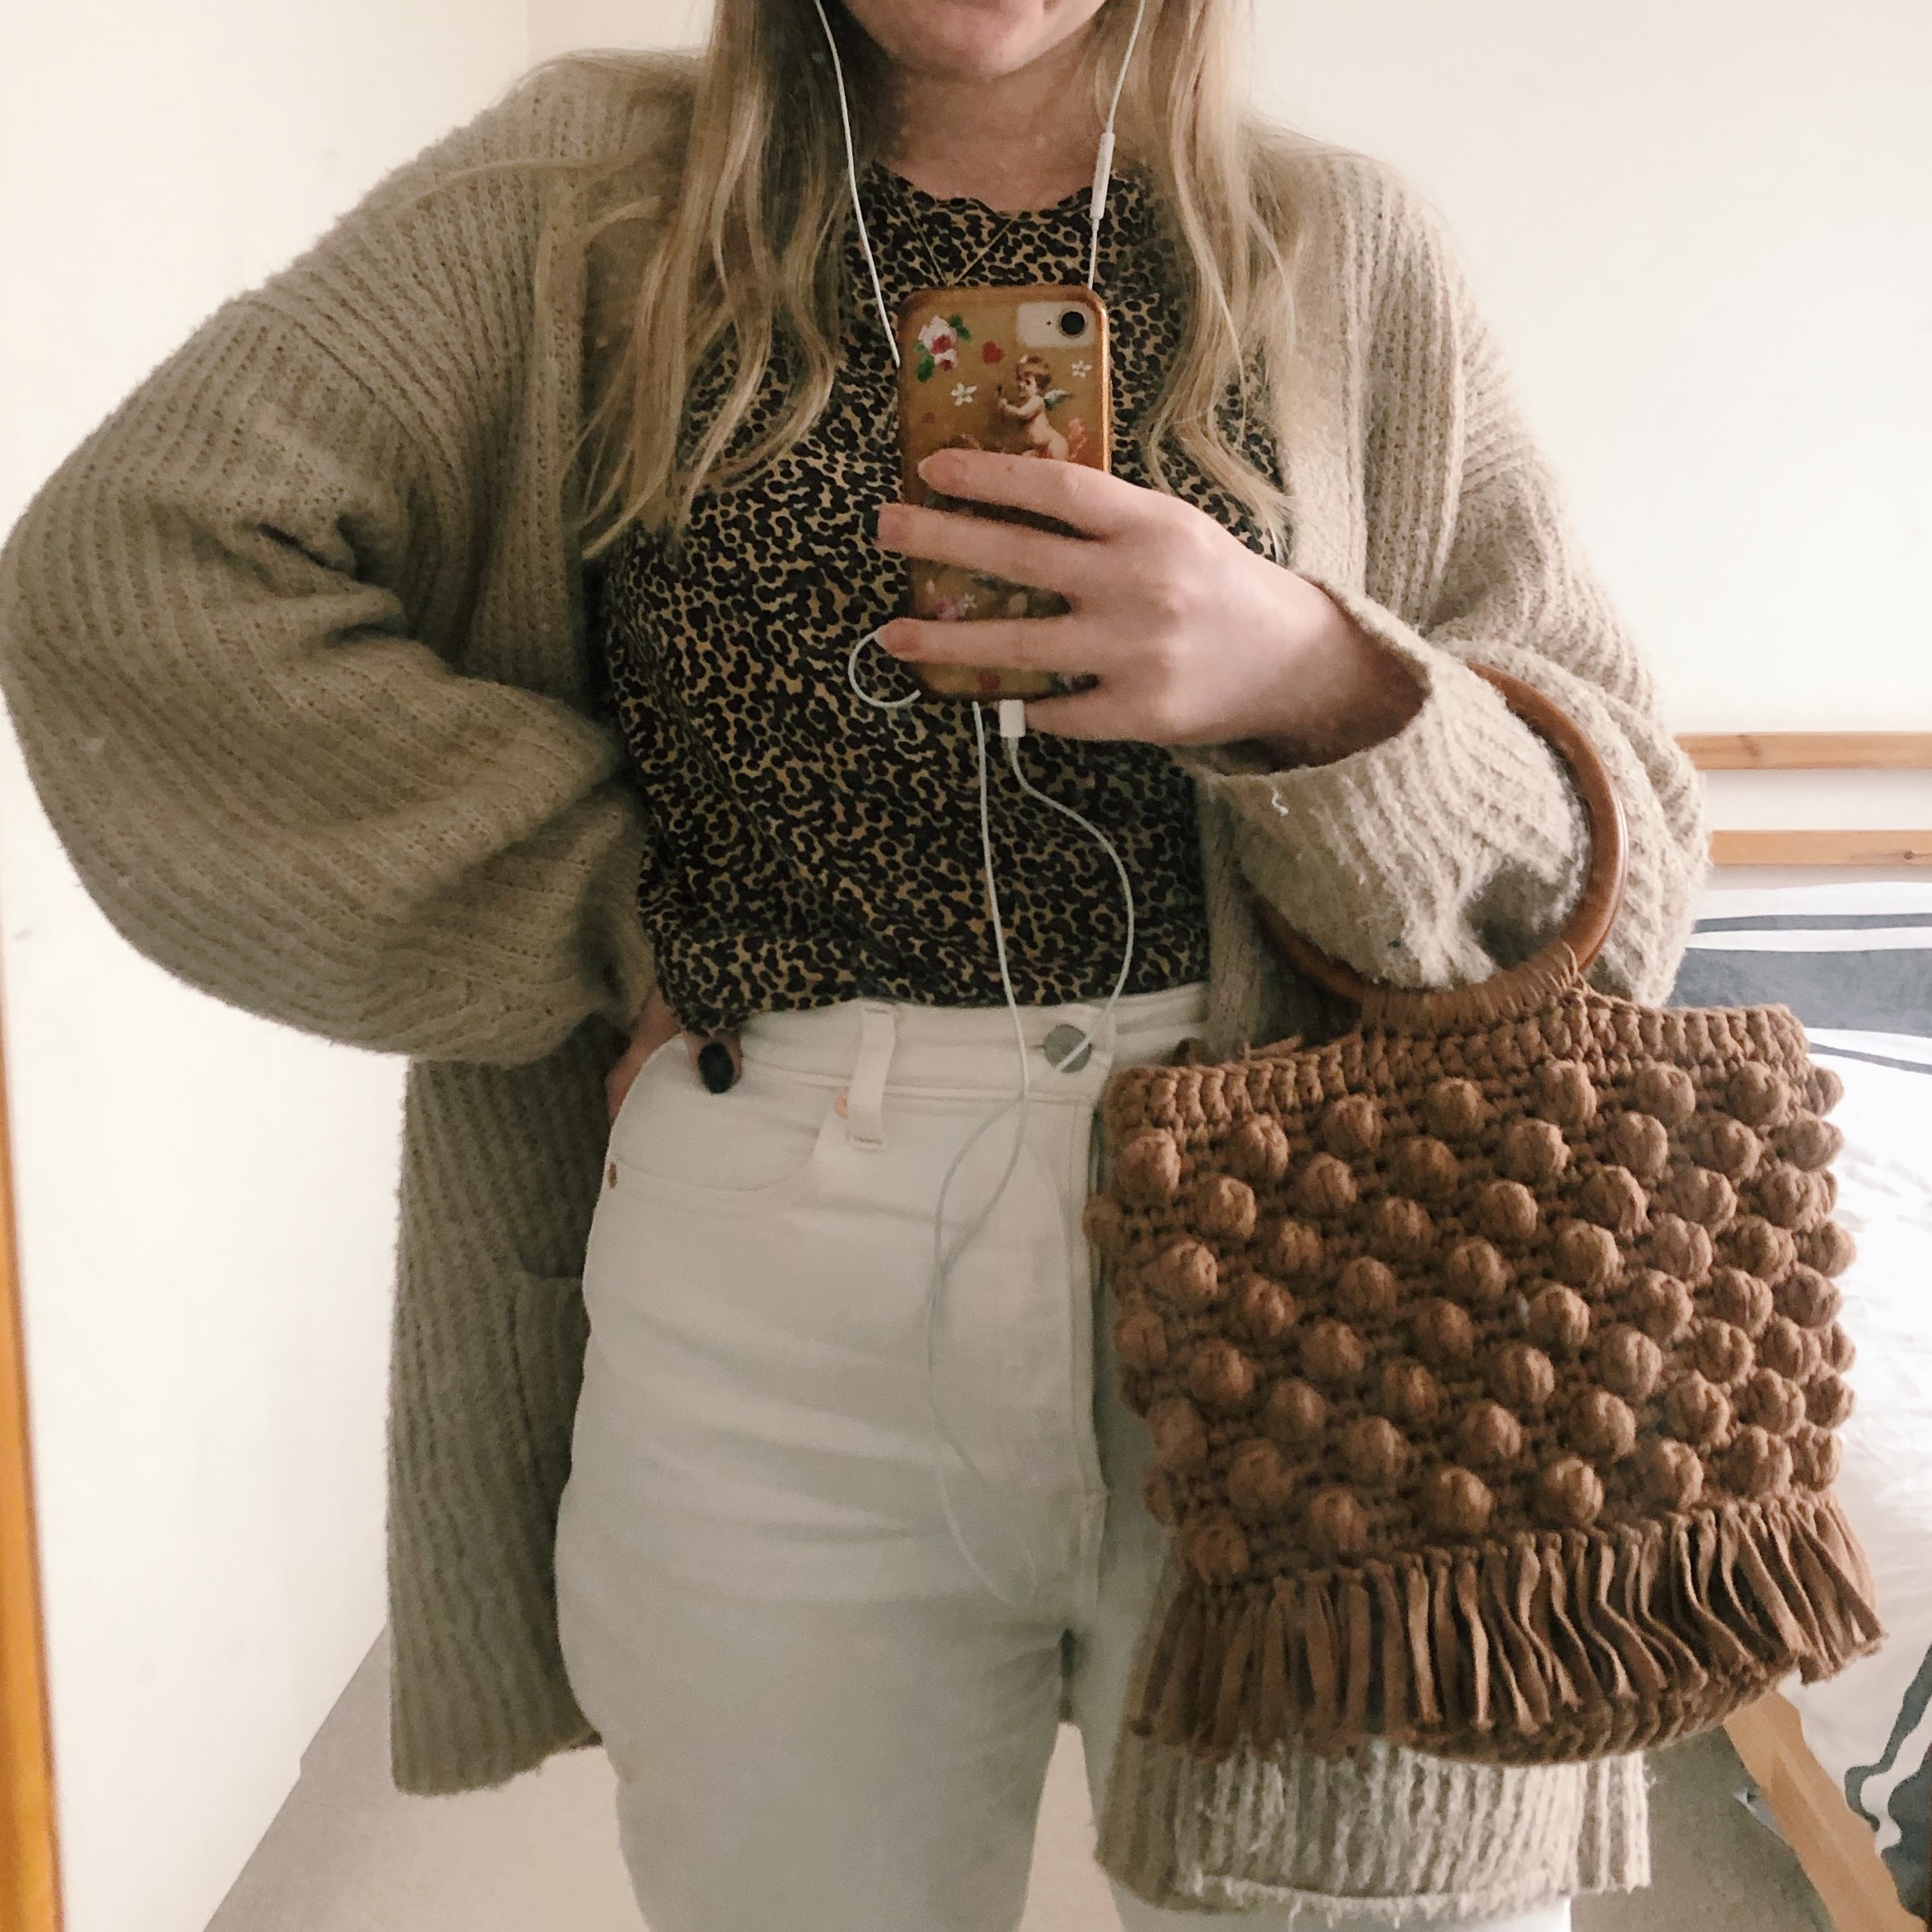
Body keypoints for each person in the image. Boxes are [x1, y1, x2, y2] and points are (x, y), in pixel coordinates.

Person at [0, 2, 1708, 1927]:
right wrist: (595, 905)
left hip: (1336, 1256)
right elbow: (130, 572)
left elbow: (1623, 854)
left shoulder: (1336, 244)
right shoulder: (585, 201)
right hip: (775, 1247)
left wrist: (1314, 672)